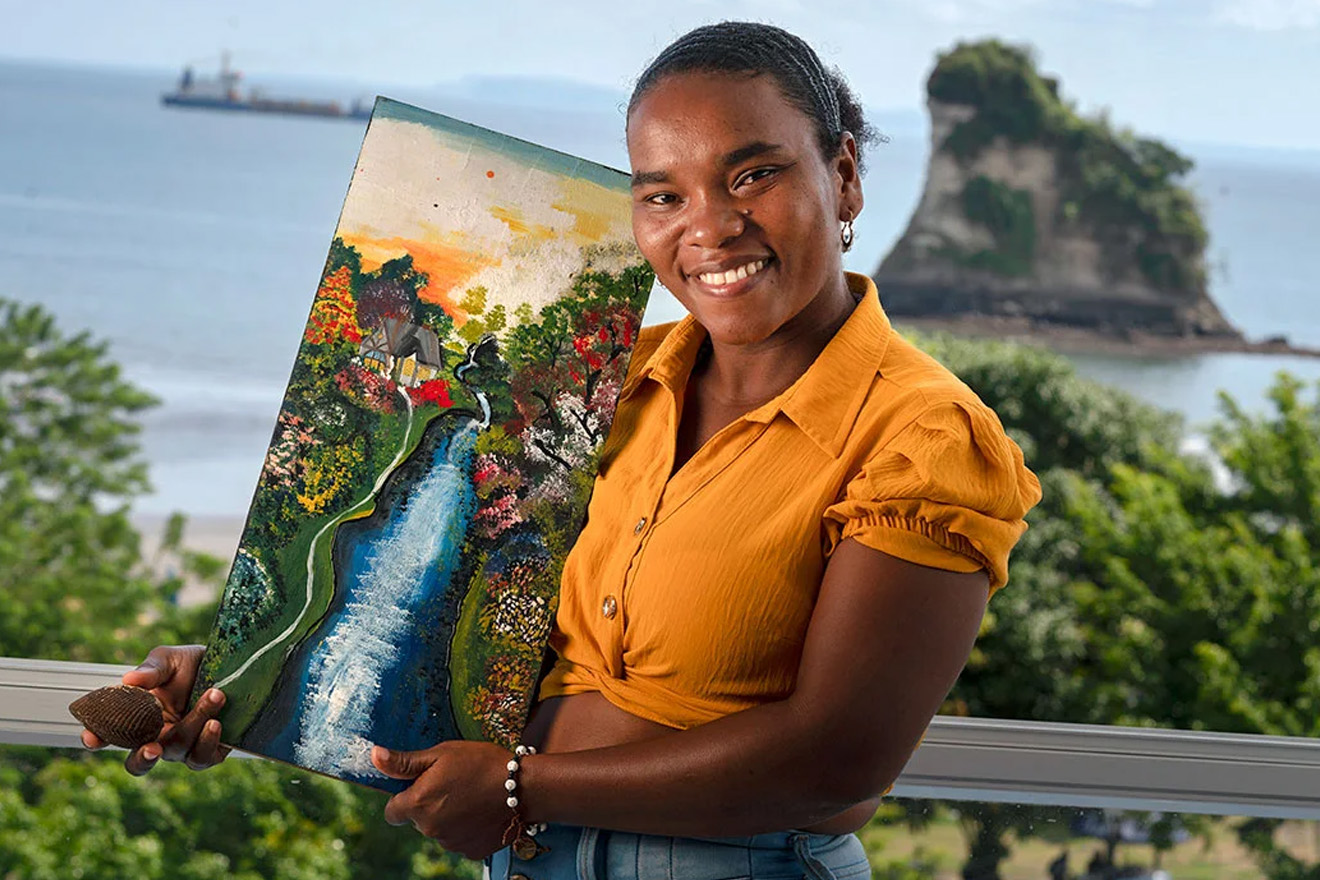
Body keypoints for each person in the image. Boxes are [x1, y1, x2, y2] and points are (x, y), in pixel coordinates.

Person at [82, 21, 1042, 880]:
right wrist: (244, 681)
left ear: (843, 175)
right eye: (662, 194)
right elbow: (472, 630)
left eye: (753, 175)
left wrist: (523, 789)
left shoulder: (923, 440)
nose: (708, 226)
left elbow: (833, 762)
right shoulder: (615, 387)